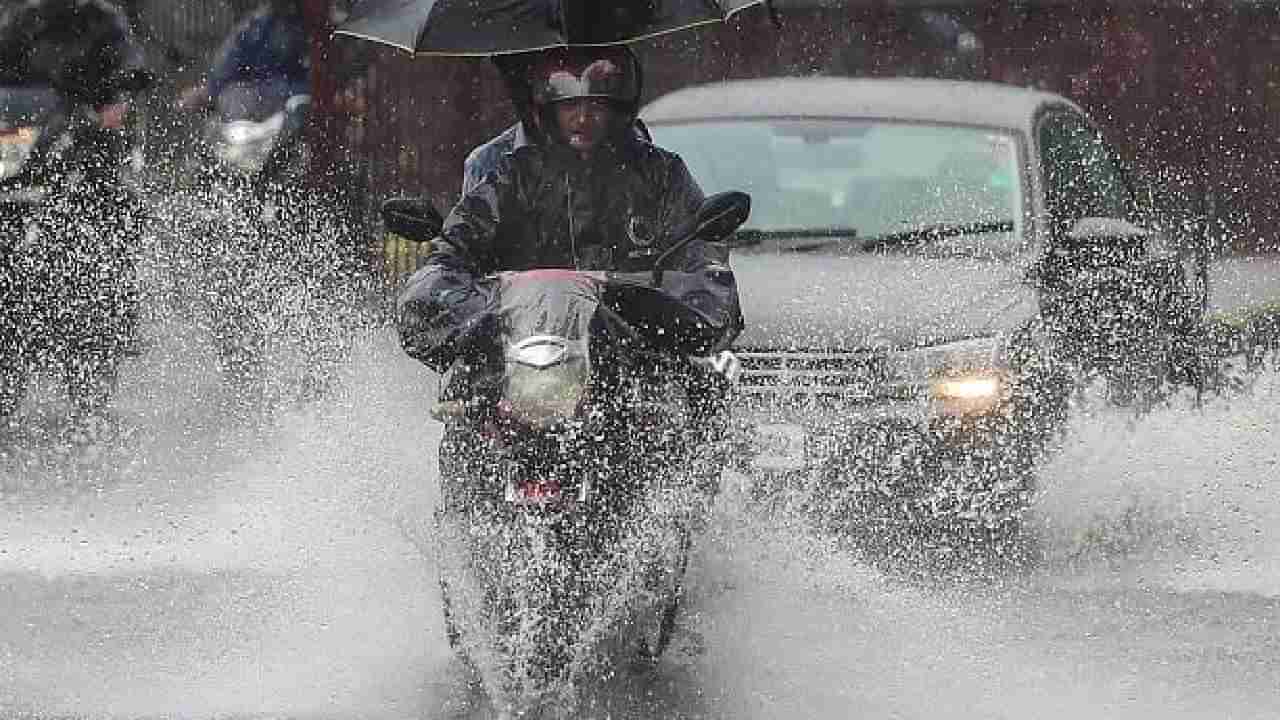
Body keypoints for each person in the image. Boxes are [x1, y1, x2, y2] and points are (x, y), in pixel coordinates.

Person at [397, 44, 743, 506]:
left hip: (628, 364)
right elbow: (449, 259)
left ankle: (687, 523)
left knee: (700, 393)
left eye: (596, 105)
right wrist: (461, 308)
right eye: (570, 105)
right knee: (463, 404)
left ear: (620, 108)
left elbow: (703, 264)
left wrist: (660, 301)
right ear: (545, 108)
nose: (583, 118)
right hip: (521, 359)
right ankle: (462, 531)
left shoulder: (660, 176)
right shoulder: (507, 176)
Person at [0, 0, 149, 128]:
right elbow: (6, 50)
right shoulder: (29, 18)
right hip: (32, 105)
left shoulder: (103, 19)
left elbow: (129, 57)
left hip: (89, 111)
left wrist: (120, 96)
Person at [177, 0, 310, 112]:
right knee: (232, 99)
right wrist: (210, 90)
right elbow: (230, 61)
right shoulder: (259, 25)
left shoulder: (311, 24)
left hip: (298, 100)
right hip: (261, 106)